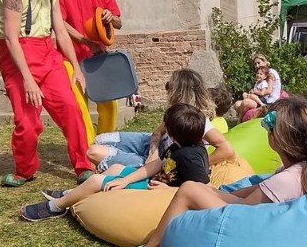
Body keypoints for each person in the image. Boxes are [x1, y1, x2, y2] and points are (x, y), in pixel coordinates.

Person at [117, 97, 307, 247]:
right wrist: (217, 192)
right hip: (262, 223)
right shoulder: (306, 168)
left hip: (249, 235)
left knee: (189, 190)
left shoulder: (286, 179)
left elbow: (240, 217)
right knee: (199, 187)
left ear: (277, 138)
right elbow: (256, 193)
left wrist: (199, 195)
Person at [0, 0, 99, 187]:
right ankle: (25, 169)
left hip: (47, 55)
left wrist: (76, 67)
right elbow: (10, 38)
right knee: (27, 123)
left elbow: (61, 32)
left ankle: (83, 165)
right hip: (19, 57)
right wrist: (28, 80)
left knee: (71, 108)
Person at [19, 103, 211, 221]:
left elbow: (204, 189)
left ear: (171, 133)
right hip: (155, 180)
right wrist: (125, 180)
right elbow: (156, 165)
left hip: (160, 192)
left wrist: (167, 190)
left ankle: (57, 207)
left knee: (96, 181)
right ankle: (73, 194)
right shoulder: (177, 146)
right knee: (115, 168)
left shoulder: (190, 156)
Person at [86, 69, 233, 173]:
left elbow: (226, 149)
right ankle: (127, 161)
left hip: (163, 160)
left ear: (179, 92)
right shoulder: (177, 110)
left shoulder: (197, 120)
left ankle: (130, 166)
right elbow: (157, 132)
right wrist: (153, 151)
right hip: (153, 145)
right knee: (100, 139)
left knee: (93, 152)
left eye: (170, 86)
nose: (167, 90)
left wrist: (199, 164)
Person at [54, 0, 124, 135]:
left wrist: (111, 17)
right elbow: (59, 23)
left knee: (109, 106)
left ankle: (104, 146)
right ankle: (87, 152)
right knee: (79, 109)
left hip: (98, 58)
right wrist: (87, 42)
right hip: (70, 58)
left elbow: (118, 23)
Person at [234, 54, 282, 118]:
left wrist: (254, 92)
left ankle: (241, 119)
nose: (257, 65)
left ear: (265, 62)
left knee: (245, 102)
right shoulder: (260, 75)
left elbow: (268, 91)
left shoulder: (270, 73)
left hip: (270, 101)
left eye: (259, 63)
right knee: (237, 105)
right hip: (261, 99)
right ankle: (245, 116)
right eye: (255, 64)